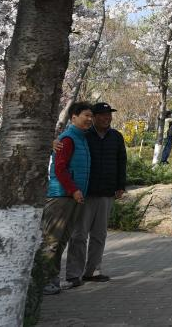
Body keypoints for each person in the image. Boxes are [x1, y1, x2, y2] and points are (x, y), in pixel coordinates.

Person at [65, 101, 126, 285]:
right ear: (94, 117)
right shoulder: (84, 135)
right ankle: (73, 273)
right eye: (102, 115)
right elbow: (66, 144)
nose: (107, 118)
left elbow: (121, 161)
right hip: (86, 192)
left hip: (107, 192)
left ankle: (92, 270)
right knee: (79, 235)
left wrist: (120, 185)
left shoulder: (116, 136)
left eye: (109, 115)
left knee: (100, 235)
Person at [40, 101, 94, 296]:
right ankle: (44, 280)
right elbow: (59, 169)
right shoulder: (68, 139)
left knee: (61, 241)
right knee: (52, 241)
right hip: (61, 197)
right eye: (86, 115)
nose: (89, 119)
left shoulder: (82, 138)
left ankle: (51, 279)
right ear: (73, 117)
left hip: (72, 197)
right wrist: (73, 190)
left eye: (91, 116)